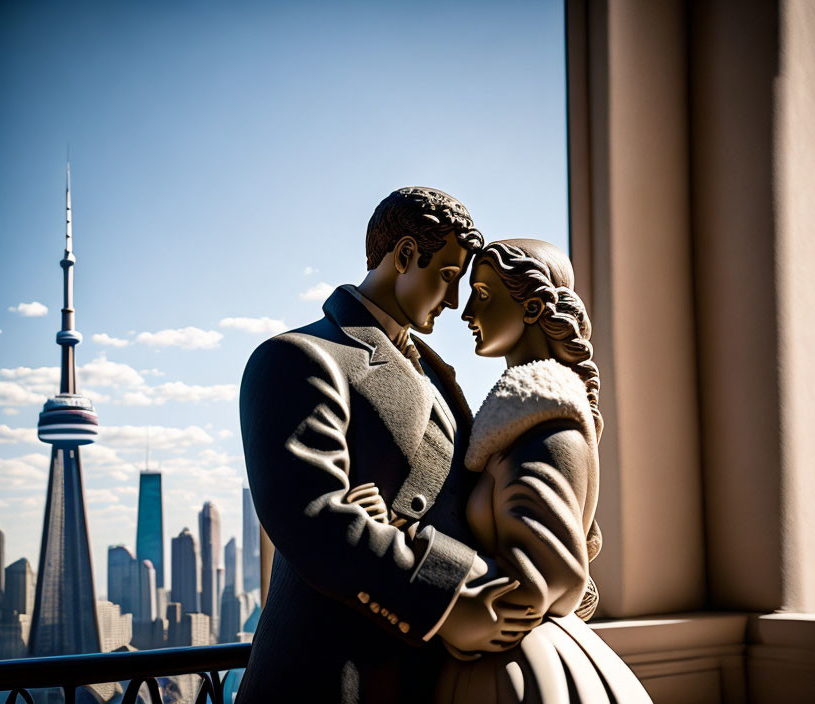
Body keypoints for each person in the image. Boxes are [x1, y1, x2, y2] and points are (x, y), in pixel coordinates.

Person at [235, 189, 535, 703]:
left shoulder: (439, 373)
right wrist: (446, 605)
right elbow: (316, 522)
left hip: (428, 677)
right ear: (403, 257)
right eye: (448, 275)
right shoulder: (296, 357)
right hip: (330, 677)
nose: (456, 300)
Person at [353, 239, 652, 702]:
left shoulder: (546, 429)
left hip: (517, 672)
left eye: (483, 294)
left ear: (532, 307)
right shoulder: (517, 425)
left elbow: (549, 576)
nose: (466, 310)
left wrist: (410, 546)